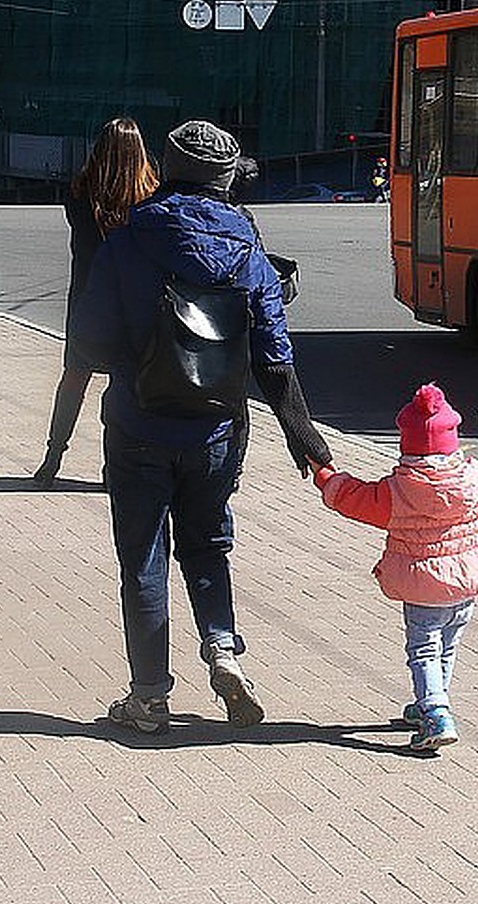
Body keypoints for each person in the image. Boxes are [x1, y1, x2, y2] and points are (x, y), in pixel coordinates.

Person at [69, 119, 332, 735]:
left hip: (138, 424)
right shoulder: (248, 249)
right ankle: (221, 650)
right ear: (226, 179)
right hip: (217, 431)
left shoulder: (129, 237)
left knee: (143, 557)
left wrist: (139, 360)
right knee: (209, 544)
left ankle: (150, 697)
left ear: (167, 166)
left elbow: (88, 340)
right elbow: (274, 356)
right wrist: (305, 436)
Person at [308, 385, 478, 752]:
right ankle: (431, 702)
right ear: (452, 441)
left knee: (423, 648)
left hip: (423, 587)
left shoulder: (397, 491)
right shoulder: (475, 481)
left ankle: (436, 713)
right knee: (447, 645)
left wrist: (325, 473)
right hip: (466, 584)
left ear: (405, 444)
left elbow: (351, 498)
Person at [33, 117, 159, 488]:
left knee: (73, 379)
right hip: (134, 305)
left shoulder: (77, 193)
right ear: (139, 152)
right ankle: (112, 468)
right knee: (125, 385)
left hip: (88, 302)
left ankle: (52, 459)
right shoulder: (149, 197)